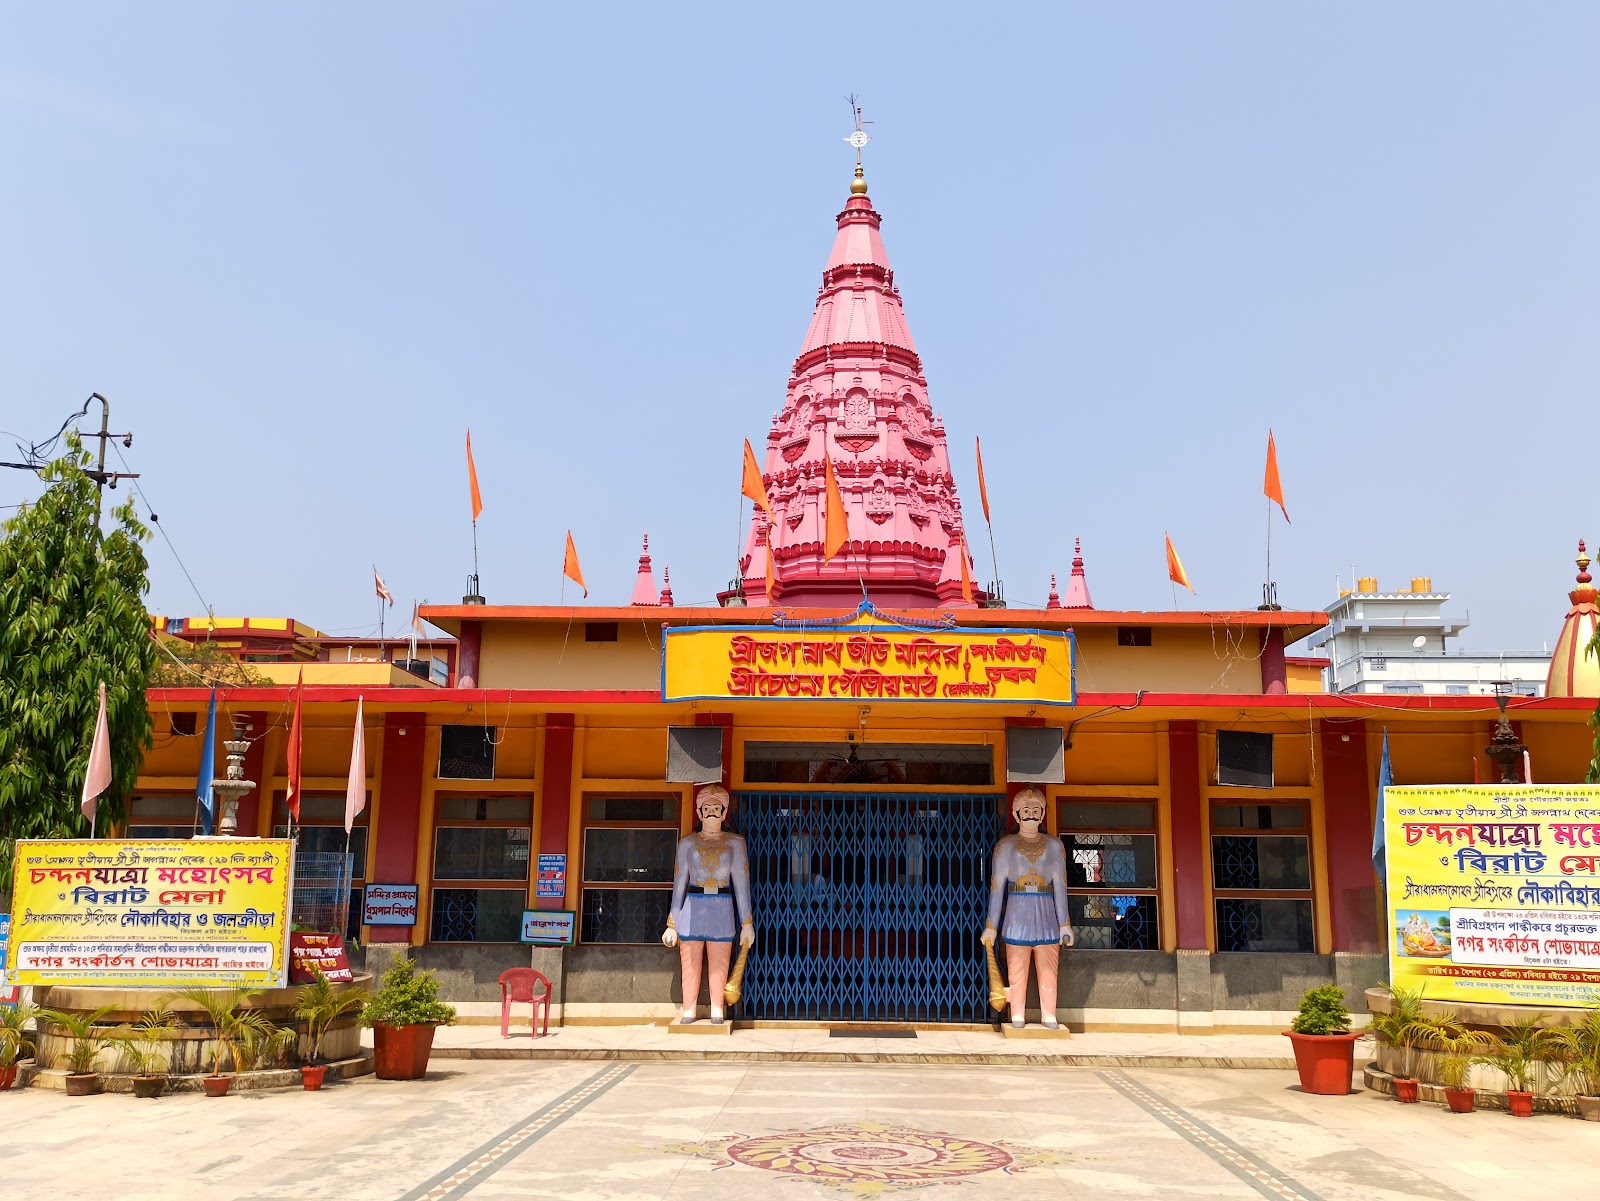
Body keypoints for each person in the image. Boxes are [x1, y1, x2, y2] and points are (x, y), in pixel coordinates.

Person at [981, 787, 1074, 1029]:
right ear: (1015, 814)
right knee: (1017, 971)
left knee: (1049, 971)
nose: (1031, 815)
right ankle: (1017, 1015)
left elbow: (1061, 886)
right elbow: (996, 888)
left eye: (1035, 810)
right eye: (1026, 810)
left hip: (1047, 918)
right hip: (1016, 916)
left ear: (1043, 813)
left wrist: (1064, 924)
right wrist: (991, 926)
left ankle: (1049, 1015)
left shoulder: (1055, 846)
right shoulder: (1005, 846)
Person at [662, 784, 754, 1024]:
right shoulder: (687, 844)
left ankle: (717, 1009)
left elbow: (742, 885)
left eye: (717, 807)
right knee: (689, 963)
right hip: (691, 907)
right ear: (699, 812)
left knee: (720, 963)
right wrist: (672, 923)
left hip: (722, 907)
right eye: (707, 807)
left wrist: (747, 923)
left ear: (724, 813)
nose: (712, 811)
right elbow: (679, 885)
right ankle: (689, 1010)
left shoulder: (736, 843)